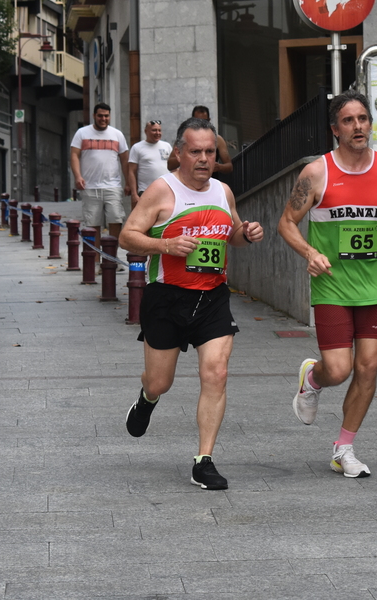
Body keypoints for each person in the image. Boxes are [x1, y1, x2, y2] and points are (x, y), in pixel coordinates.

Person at [277, 89, 377, 479]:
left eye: (363, 118)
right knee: (338, 369)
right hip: (332, 284)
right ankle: (313, 378)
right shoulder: (317, 173)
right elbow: (286, 223)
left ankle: (344, 448)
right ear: (336, 129)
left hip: (374, 285)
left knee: (368, 367)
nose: (358, 126)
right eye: (348, 121)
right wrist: (310, 252)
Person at [119, 115, 264, 490]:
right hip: (166, 298)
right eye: (196, 151)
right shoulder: (161, 190)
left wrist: (247, 233)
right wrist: (165, 244)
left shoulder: (223, 192)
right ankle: (147, 399)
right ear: (179, 154)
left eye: (210, 152)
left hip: (212, 297)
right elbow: (127, 236)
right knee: (160, 381)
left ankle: (204, 461)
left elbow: (232, 234)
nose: (204, 159)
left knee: (216, 373)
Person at [70, 103, 130, 238]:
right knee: (92, 225)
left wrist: (128, 182)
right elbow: (74, 155)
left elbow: (125, 160)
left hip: (113, 186)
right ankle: (95, 252)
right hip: (90, 187)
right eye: (100, 116)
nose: (103, 119)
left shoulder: (117, 135)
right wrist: (78, 176)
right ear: (94, 116)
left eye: (106, 116)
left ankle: (112, 251)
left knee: (116, 220)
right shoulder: (82, 133)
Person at [167, 106, 233, 175]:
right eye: (195, 151)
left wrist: (219, 167)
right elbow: (170, 165)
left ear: (209, 120)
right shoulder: (184, 138)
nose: (203, 158)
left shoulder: (217, 139)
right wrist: (184, 155)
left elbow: (229, 166)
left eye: (209, 151)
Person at [127, 119, 173, 209]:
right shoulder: (137, 147)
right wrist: (134, 194)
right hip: (146, 191)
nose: (157, 133)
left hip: (166, 191)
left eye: (159, 130)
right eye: (154, 130)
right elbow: (132, 171)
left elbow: (174, 168)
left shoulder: (167, 146)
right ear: (146, 131)